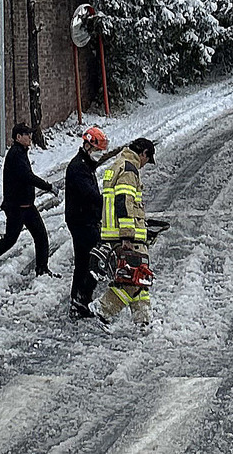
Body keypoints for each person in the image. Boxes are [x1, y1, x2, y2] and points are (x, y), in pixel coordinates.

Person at [0, 122, 57, 278]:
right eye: (27, 134)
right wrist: (48, 187)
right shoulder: (16, 155)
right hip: (17, 207)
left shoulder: (21, 152)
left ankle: (42, 270)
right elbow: (27, 177)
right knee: (11, 240)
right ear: (18, 137)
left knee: (40, 237)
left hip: (26, 206)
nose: (30, 137)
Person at [97, 137, 157, 325]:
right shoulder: (129, 169)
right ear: (143, 153)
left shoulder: (117, 165)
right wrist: (127, 234)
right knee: (133, 279)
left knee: (139, 277)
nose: (145, 164)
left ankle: (143, 320)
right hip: (127, 235)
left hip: (115, 231)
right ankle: (102, 310)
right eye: (148, 159)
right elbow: (123, 201)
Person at [65, 126, 108, 319]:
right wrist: (108, 202)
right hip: (81, 220)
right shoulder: (79, 168)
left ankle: (78, 301)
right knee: (96, 257)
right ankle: (82, 299)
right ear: (88, 146)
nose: (100, 155)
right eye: (98, 151)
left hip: (83, 218)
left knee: (83, 261)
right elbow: (90, 195)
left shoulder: (85, 165)